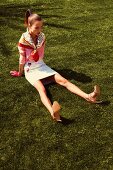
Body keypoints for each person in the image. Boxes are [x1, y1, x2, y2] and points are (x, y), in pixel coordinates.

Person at [10, 9, 100, 122]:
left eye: (41, 27)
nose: (40, 30)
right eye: (36, 27)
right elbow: (22, 59)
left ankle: (89, 96)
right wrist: (20, 73)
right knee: (42, 90)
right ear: (29, 25)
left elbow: (41, 55)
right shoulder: (22, 40)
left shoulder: (41, 37)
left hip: (41, 65)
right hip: (30, 69)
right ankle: (53, 112)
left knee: (64, 81)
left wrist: (36, 52)